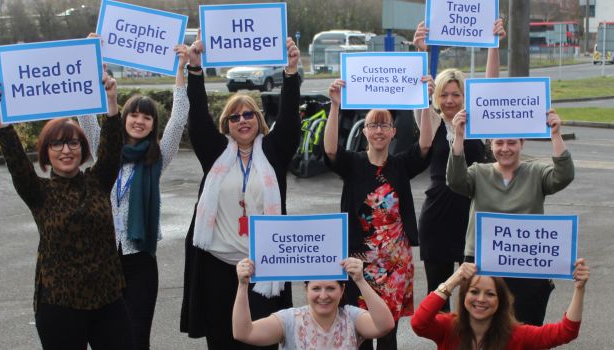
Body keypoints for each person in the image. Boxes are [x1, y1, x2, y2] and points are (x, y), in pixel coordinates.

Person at [0, 70, 134, 349]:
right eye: (57, 143)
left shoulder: (98, 181)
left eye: (73, 142)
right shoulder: (38, 192)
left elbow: (113, 147)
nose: (66, 150)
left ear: (82, 148)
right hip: (60, 305)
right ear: (46, 152)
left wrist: (112, 102)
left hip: (108, 300)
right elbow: (16, 159)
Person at [179, 32, 302, 349]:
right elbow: (198, 120)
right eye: (234, 116)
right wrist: (195, 72)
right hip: (218, 268)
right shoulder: (215, 152)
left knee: (263, 343)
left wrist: (290, 74)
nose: (242, 120)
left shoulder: (273, 151)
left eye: (249, 114)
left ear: (259, 119)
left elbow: (289, 122)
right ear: (226, 124)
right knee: (222, 342)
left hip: (264, 268)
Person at [77, 40, 190, 349]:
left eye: (147, 117)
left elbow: (179, 118)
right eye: (134, 115)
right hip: (101, 259)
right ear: (124, 117)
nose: (139, 121)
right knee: (104, 339)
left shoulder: (157, 156)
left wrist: (181, 70)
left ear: (152, 124)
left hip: (139, 261)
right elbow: (87, 116)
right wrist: (91, 63)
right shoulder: (105, 150)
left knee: (137, 338)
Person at [323, 77, 435, 349]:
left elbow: (425, 144)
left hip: (395, 264)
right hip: (360, 262)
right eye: (373, 125)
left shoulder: (400, 165)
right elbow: (329, 149)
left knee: (387, 332)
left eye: (385, 125)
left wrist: (427, 101)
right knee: (359, 329)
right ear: (365, 132)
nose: (379, 131)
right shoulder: (353, 164)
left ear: (393, 132)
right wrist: (335, 106)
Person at [446, 108, 575, 325]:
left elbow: (563, 176)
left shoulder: (536, 173)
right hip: (483, 263)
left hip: (526, 262)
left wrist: (555, 134)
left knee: (526, 327)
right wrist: (458, 136)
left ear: (522, 144)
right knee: (480, 329)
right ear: (491, 145)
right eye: (499, 143)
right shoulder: (479, 173)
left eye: (512, 143)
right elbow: (455, 180)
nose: (505, 149)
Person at [413, 19, 506, 310]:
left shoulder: (477, 123)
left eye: (456, 94)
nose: (450, 100)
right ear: (436, 97)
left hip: (472, 215)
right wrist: (421, 52)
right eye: (444, 94)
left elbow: (490, 86)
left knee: (475, 298)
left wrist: (493, 44)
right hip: (438, 216)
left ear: (466, 96)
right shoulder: (430, 121)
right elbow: (417, 93)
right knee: (438, 298)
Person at [411, 260, 589, 349]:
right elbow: (419, 323)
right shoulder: (449, 327)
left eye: (490, 294)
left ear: (500, 301)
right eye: (474, 292)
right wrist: (454, 280)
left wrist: (579, 288)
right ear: (464, 296)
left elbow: (566, 332)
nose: (480, 299)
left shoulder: (516, 335)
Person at [232, 257, 395, 349]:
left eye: (331, 288)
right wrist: (242, 285)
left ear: (342, 290)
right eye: (316, 288)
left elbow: (385, 325)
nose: (323, 296)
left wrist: (360, 280)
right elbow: (244, 333)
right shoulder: (290, 320)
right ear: (306, 289)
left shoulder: (351, 317)